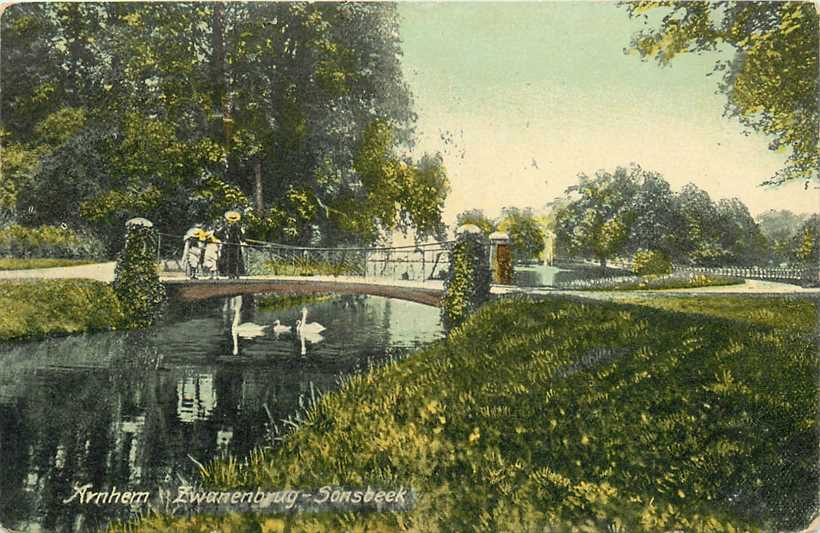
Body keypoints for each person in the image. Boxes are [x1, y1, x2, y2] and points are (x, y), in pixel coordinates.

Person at [218, 210, 246, 279]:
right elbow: (218, 233)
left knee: (236, 259)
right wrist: (223, 239)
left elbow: (241, 235)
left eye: (234, 219)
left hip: (235, 244)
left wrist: (243, 240)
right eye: (231, 219)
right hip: (227, 245)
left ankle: (236, 273)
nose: (232, 221)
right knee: (227, 259)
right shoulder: (225, 226)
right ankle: (228, 273)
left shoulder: (237, 226)